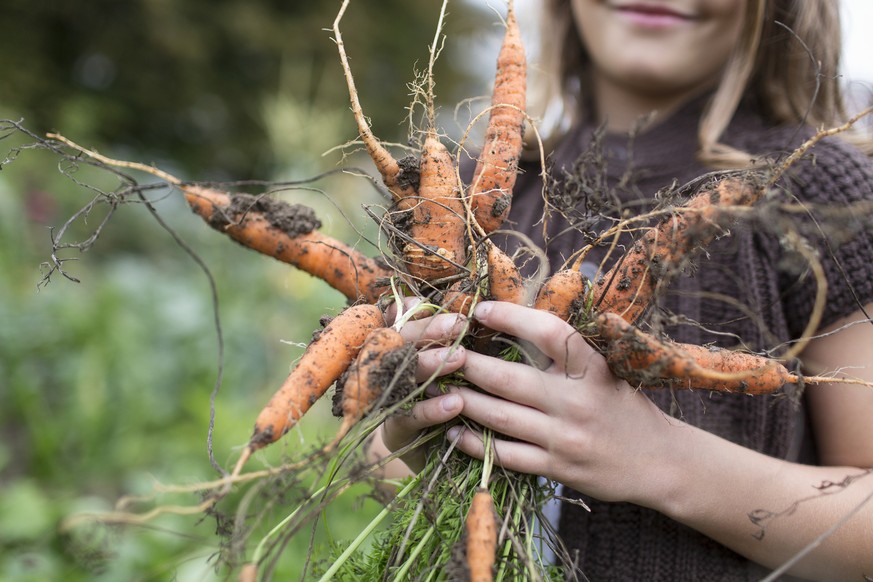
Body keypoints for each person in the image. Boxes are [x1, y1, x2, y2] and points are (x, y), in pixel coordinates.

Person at [370, 0, 873, 579]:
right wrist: (418, 425)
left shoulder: (818, 190)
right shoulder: (466, 194)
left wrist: (658, 459)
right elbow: (371, 456)